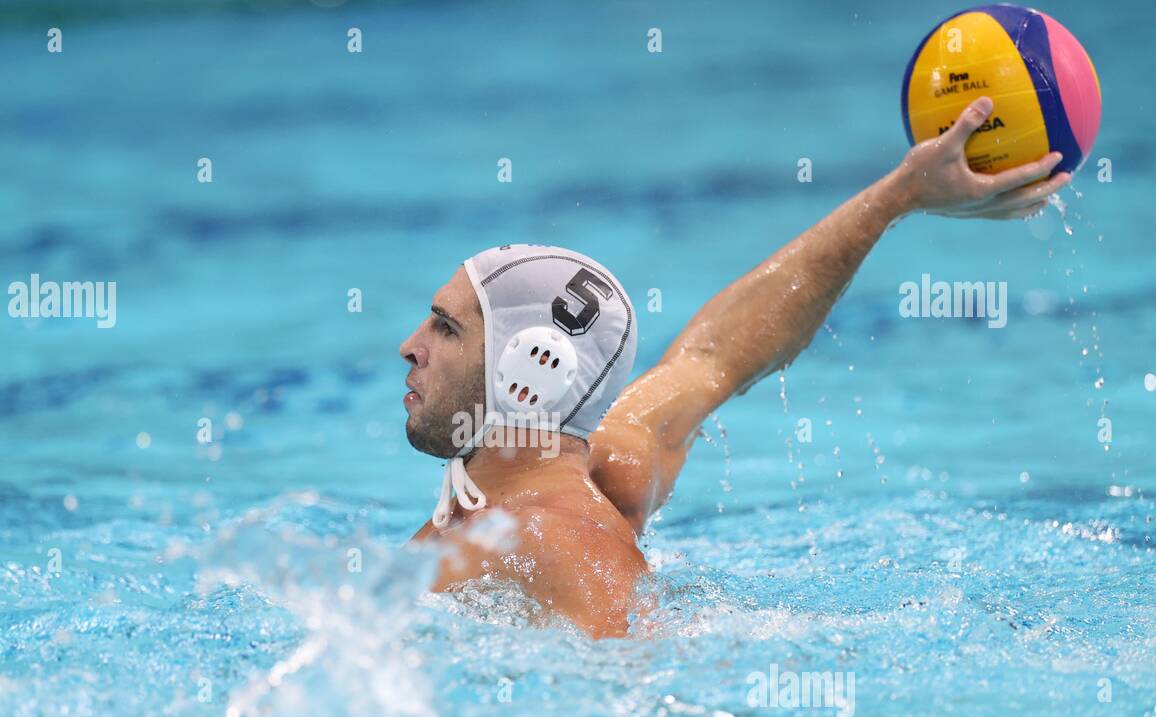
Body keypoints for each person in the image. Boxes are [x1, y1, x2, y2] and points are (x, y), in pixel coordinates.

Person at [399, 97, 1069, 637]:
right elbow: (717, 355)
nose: (410, 345)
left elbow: (630, 711)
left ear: (531, 371)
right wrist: (901, 193)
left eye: (446, 326)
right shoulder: (611, 464)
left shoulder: (557, 541)